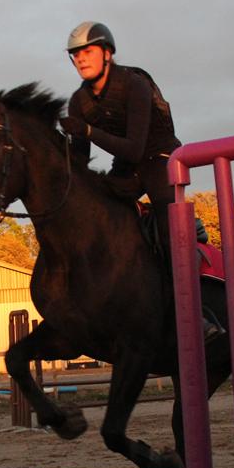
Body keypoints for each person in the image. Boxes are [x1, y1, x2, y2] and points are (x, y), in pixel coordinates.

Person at [59, 21, 222, 341]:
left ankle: (196, 314)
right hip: (128, 166)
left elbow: (135, 146)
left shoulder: (134, 84)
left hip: (161, 158)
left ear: (107, 54)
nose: (80, 59)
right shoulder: (78, 101)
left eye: (87, 52)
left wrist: (88, 131)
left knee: (166, 224)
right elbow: (79, 161)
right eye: (75, 55)